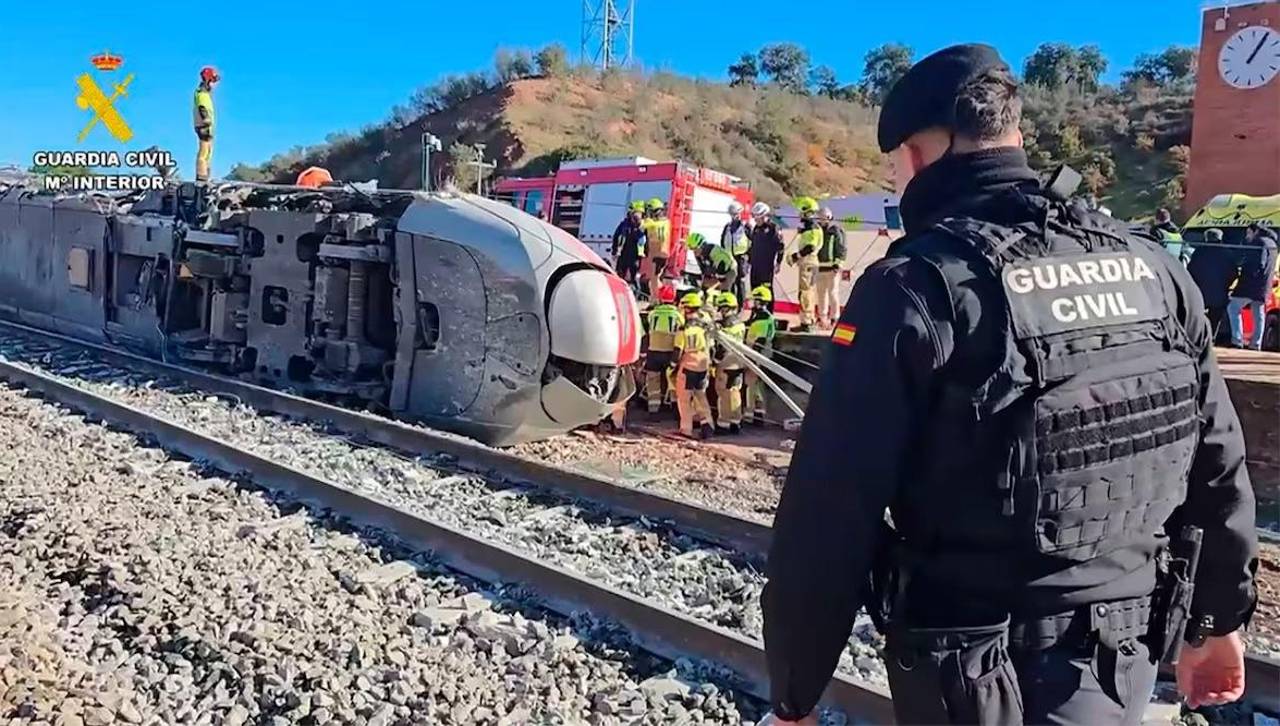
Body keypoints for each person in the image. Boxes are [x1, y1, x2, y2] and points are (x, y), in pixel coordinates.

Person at [762, 44, 1258, 726]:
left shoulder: (914, 287)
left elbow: (827, 513)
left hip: (975, 673)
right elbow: (1218, 462)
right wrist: (1215, 621)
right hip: (1127, 655)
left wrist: (794, 691)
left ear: (918, 153)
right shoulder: (1153, 269)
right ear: (1012, 134)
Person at [1228, 223, 1279, 350]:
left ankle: (1237, 340)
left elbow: (1258, 264)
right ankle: (1256, 344)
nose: (1247, 235)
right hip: (1264, 286)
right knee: (1259, 314)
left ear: (1255, 231)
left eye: (1248, 232)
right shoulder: (1273, 244)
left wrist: (1244, 275)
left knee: (1233, 307)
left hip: (1251, 285)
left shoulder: (1259, 242)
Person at [1187, 228, 1239, 343]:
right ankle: (1211, 340)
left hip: (1200, 292)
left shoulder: (1199, 251)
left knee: (1197, 316)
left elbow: (1190, 270)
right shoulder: (1228, 253)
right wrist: (1226, 284)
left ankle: (1197, 338)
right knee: (1215, 319)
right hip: (1220, 293)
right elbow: (1234, 273)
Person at [673, 292, 714, 439]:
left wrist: (672, 366)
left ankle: (686, 430)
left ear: (687, 309)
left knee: (684, 399)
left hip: (688, 366)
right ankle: (708, 424)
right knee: (701, 396)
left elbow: (678, 350)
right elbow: (712, 348)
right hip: (703, 365)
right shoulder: (705, 328)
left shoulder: (683, 329)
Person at [644, 283, 684, 413]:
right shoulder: (677, 316)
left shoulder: (653, 314)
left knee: (653, 380)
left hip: (653, 352)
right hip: (670, 352)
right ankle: (673, 408)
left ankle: (653, 409)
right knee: (672, 380)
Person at [712, 291, 747, 434]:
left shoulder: (724, 328)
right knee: (735, 393)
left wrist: (715, 361)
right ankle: (735, 422)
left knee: (723, 395)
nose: (721, 312)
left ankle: (723, 424)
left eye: (722, 309)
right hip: (738, 363)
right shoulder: (741, 325)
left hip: (725, 365)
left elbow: (722, 349)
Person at [743, 285, 778, 426]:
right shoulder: (764, 317)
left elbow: (760, 341)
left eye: (755, 301)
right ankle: (758, 413)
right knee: (757, 386)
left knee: (751, 385)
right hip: (763, 355)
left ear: (760, 301)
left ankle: (751, 415)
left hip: (758, 356)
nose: (753, 303)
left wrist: (751, 358)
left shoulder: (763, 319)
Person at [788, 197, 822, 332]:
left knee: (805, 293)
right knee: (808, 292)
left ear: (806, 212)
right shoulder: (811, 228)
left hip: (808, 262)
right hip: (809, 262)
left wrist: (796, 256)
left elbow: (810, 247)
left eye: (801, 212)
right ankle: (808, 320)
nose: (799, 215)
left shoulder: (812, 228)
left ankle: (807, 323)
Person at [814, 207, 847, 330]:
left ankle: (835, 318)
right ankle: (822, 318)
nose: (822, 220)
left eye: (824, 217)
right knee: (821, 294)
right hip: (819, 267)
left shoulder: (835, 230)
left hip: (832, 268)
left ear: (829, 217)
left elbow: (842, 248)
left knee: (833, 293)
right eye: (820, 217)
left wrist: (838, 263)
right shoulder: (817, 230)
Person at [749, 202, 784, 307]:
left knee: (766, 290)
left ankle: (769, 313)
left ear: (764, 216)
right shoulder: (756, 228)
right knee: (755, 289)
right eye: (755, 217)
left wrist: (778, 263)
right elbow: (753, 245)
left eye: (758, 217)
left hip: (767, 266)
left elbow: (781, 247)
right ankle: (756, 311)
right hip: (755, 265)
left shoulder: (774, 228)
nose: (756, 220)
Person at [193, 66, 220, 183]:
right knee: (204, 151)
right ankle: (201, 176)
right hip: (204, 125)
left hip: (208, 127)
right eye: (213, 81)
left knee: (208, 152)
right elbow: (202, 106)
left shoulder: (205, 94)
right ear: (208, 80)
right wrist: (206, 119)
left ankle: (206, 176)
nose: (214, 85)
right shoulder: (201, 93)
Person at [722, 201, 753, 303]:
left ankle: (741, 305)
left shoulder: (745, 227)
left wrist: (749, 255)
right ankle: (730, 303)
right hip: (730, 258)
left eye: (736, 213)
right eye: (732, 214)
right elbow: (723, 241)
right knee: (730, 281)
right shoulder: (727, 227)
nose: (734, 216)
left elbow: (753, 241)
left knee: (740, 281)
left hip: (741, 257)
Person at [642, 199, 672, 301]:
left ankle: (657, 299)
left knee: (654, 279)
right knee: (654, 279)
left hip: (659, 254)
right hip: (659, 254)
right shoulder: (666, 222)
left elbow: (642, 225)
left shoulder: (655, 223)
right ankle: (662, 296)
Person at [612, 201, 646, 287]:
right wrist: (614, 250)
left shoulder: (644, 225)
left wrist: (637, 226)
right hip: (624, 253)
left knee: (634, 277)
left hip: (636, 255)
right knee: (619, 275)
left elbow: (643, 240)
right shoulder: (625, 224)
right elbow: (616, 236)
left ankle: (636, 294)